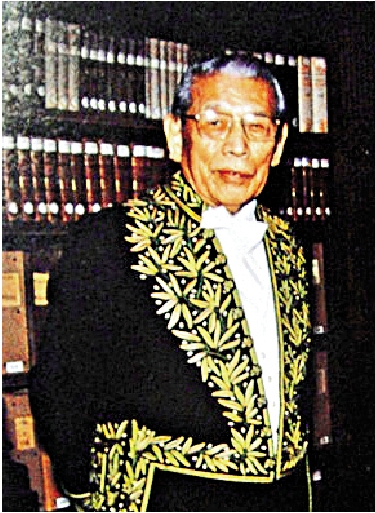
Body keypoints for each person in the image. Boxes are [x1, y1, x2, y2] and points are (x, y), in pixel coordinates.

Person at [29, 55, 316, 511]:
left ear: (278, 145)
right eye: (215, 123)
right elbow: (60, 394)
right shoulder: (108, 242)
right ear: (176, 133)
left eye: (257, 127)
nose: (237, 146)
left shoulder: (289, 247)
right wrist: (94, 494)